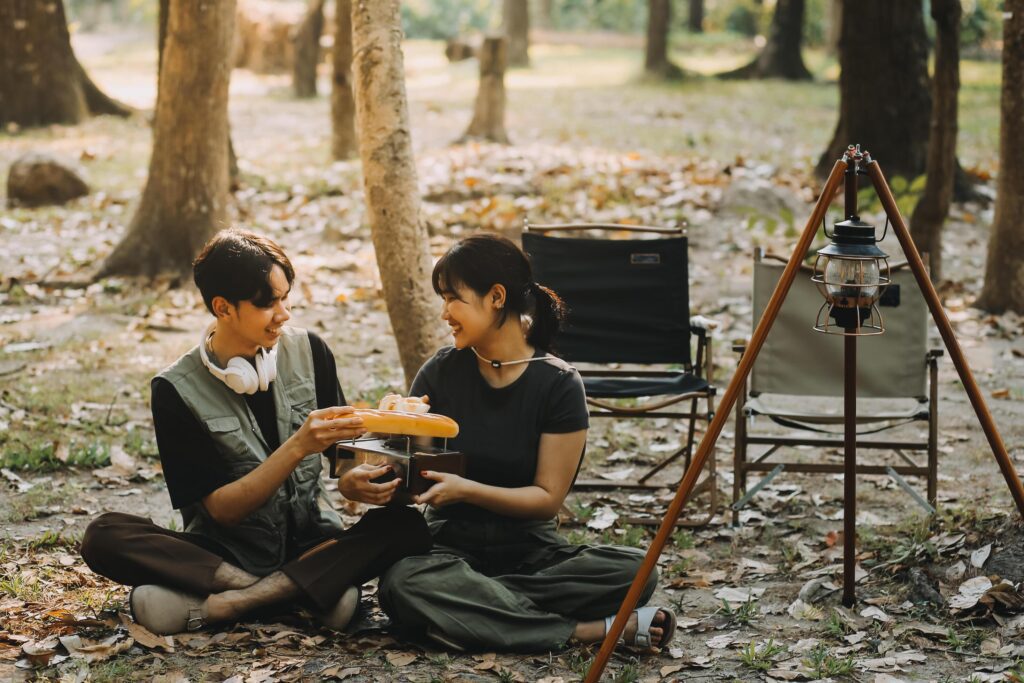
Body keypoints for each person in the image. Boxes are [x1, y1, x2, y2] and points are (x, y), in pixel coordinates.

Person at [80, 230, 431, 635]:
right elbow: (222, 510)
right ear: (223, 308)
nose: (283, 314)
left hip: (311, 543)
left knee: (406, 525)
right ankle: (291, 594)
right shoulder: (175, 389)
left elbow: (344, 460)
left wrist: (356, 483)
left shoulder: (311, 351)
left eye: (285, 298)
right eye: (267, 303)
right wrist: (298, 445)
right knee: (103, 534)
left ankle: (236, 604)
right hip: (226, 556)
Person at [377, 233, 676, 652]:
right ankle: (588, 631)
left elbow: (546, 499)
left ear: (496, 296)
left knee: (637, 571)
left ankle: (474, 608)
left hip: (531, 550)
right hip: (451, 545)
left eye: (453, 299)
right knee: (402, 582)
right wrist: (394, 430)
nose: (444, 313)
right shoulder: (440, 372)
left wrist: (467, 490)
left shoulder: (558, 383)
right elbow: (412, 474)